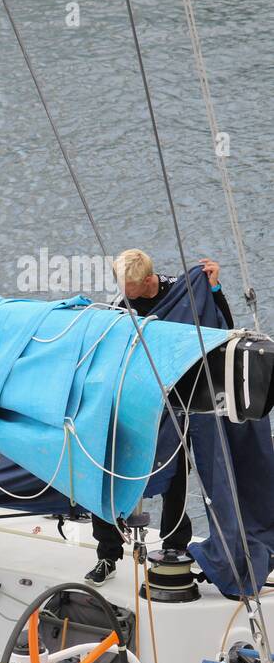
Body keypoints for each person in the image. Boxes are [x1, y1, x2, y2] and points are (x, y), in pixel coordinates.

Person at [85, 248, 231, 585]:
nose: (124, 292)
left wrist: (213, 290)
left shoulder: (184, 293)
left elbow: (221, 327)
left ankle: (175, 548)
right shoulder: (122, 307)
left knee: (176, 475)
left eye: (129, 286)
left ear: (147, 280)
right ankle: (107, 555)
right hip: (141, 400)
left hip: (178, 404)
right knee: (107, 466)